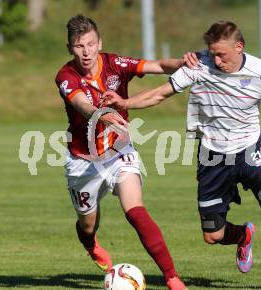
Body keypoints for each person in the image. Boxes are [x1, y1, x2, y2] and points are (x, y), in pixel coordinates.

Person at [102, 21, 261, 290]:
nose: (215, 60)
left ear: (239, 47)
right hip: (212, 157)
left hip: (250, 152)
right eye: (211, 53)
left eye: (221, 54)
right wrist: (125, 103)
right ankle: (243, 235)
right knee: (213, 235)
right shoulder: (198, 65)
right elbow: (158, 95)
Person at [54, 14, 188, 290]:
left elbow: (160, 65)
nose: (86, 51)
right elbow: (82, 105)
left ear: (99, 43)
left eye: (91, 44)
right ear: (70, 48)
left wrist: (185, 62)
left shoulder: (115, 64)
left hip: (119, 150)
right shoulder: (66, 76)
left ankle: (172, 277)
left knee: (135, 209)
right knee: (88, 226)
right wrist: (101, 115)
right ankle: (91, 245)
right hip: (83, 162)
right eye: (79, 46)